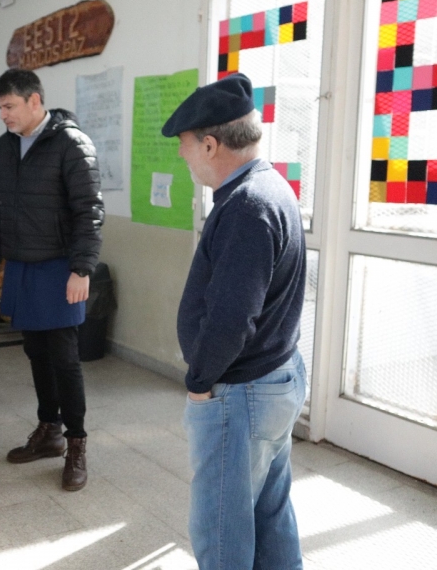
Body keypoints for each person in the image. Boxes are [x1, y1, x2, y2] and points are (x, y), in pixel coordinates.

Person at [162, 73, 307, 570]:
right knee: (269, 513)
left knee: (221, 530)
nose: (183, 158)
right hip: (275, 376)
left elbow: (231, 315)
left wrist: (201, 382)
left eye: (184, 147)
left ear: (208, 144)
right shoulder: (270, 186)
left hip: (240, 390)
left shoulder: (247, 205)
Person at [0, 68, 104, 491]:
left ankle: (76, 443)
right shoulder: (4, 147)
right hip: (22, 265)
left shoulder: (71, 144)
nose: (3, 115)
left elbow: (89, 210)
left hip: (60, 266)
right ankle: (48, 430)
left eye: (9, 106)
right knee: (34, 351)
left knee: (65, 358)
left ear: (35, 101)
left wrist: (82, 268)